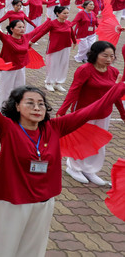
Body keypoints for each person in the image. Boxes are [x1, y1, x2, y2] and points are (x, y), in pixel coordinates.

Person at [0, 66, 125, 257]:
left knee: (32, 251)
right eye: (30, 103)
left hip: (44, 202)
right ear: (16, 106)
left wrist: (121, 86)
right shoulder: (7, 128)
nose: (37, 108)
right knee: (0, 250)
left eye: (41, 104)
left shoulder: (55, 127)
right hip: (11, 202)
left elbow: (94, 109)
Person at [56, 41, 125, 185]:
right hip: (84, 112)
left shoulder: (113, 72)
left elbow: (115, 95)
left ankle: (90, 169)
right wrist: (62, 111)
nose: (108, 59)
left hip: (104, 113)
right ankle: (74, 168)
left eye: (111, 56)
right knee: (80, 140)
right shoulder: (85, 69)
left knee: (98, 143)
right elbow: (74, 90)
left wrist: (122, 113)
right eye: (104, 55)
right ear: (95, 54)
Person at [0, 11, 42, 108]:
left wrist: (49, 20)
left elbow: (38, 30)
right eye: (19, 27)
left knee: (20, 90)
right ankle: (3, 109)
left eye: (23, 27)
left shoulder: (26, 37)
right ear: (12, 29)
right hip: (8, 69)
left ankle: (17, 108)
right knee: (5, 91)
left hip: (20, 68)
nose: (22, 29)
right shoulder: (6, 38)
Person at [31, 6, 76, 92]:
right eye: (64, 13)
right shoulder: (52, 23)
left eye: (67, 13)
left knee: (63, 65)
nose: (66, 15)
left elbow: (72, 33)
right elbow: (42, 32)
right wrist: (32, 41)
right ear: (58, 14)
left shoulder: (68, 23)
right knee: (52, 65)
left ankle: (58, 83)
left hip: (66, 47)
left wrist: (74, 42)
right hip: (54, 47)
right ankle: (49, 83)